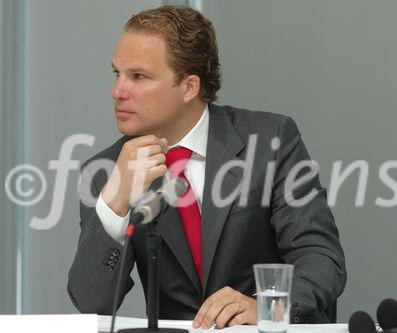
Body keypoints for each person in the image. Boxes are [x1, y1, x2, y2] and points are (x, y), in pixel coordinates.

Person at [67, 5, 346, 329]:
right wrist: (115, 201)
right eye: (117, 73)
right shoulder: (107, 170)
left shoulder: (271, 140)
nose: (117, 92)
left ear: (189, 87)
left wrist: (269, 308)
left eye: (138, 76)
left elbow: (321, 259)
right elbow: (91, 300)